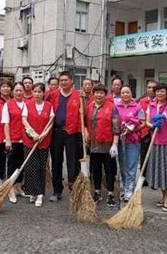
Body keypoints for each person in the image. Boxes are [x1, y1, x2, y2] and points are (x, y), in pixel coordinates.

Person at [145, 82, 167, 212]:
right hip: (155, 143)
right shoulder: (151, 105)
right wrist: (152, 125)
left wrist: (166, 118)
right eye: (158, 91)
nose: (160, 93)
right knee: (160, 173)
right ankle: (163, 196)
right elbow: (147, 122)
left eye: (162, 91)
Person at [47, 71, 82, 202]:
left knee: (72, 163)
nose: (63, 83)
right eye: (61, 80)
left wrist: (80, 131)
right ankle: (57, 190)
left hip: (72, 133)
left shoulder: (78, 96)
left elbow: (81, 116)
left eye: (65, 80)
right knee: (56, 162)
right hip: (56, 132)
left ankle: (73, 190)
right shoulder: (53, 95)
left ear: (71, 80)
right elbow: (47, 111)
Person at [85, 84, 120, 206]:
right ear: (93, 94)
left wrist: (115, 144)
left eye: (101, 93)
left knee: (110, 170)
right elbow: (84, 123)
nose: (99, 95)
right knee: (96, 170)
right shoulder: (89, 107)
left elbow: (116, 128)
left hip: (108, 145)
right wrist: (85, 133)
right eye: (96, 92)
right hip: (93, 145)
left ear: (105, 95)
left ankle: (110, 193)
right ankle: (97, 192)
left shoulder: (112, 108)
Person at [22, 83, 54, 207]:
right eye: (35, 91)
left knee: (41, 167)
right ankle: (32, 193)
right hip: (30, 141)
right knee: (30, 167)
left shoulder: (48, 106)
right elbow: (24, 121)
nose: (37, 94)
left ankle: (40, 193)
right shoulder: (27, 104)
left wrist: (43, 135)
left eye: (39, 92)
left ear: (43, 93)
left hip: (43, 142)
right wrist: (33, 134)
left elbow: (50, 122)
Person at [116, 85, 145, 202]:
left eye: (127, 92)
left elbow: (142, 123)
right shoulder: (116, 107)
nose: (125, 95)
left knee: (131, 166)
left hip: (133, 141)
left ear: (131, 94)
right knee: (122, 166)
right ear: (120, 94)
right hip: (119, 140)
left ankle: (129, 190)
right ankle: (124, 187)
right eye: (123, 93)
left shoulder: (137, 107)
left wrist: (132, 129)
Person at [2, 82, 27, 203]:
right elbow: (6, 123)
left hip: (26, 140)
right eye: (16, 90)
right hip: (13, 139)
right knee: (12, 165)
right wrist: (8, 140)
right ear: (13, 92)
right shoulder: (8, 105)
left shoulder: (28, 103)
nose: (18, 92)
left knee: (22, 164)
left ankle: (18, 187)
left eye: (20, 90)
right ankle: (10, 189)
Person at [106, 76, 126, 193]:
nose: (116, 86)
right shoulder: (107, 98)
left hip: (124, 134)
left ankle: (123, 181)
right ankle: (111, 180)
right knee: (111, 159)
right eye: (114, 84)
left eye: (118, 84)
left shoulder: (126, 98)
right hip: (111, 134)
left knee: (123, 159)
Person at [138, 80, 157, 186]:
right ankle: (143, 178)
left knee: (155, 157)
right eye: (149, 87)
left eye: (153, 88)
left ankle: (154, 179)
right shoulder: (142, 101)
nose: (151, 90)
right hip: (145, 132)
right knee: (144, 156)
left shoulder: (160, 101)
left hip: (157, 133)